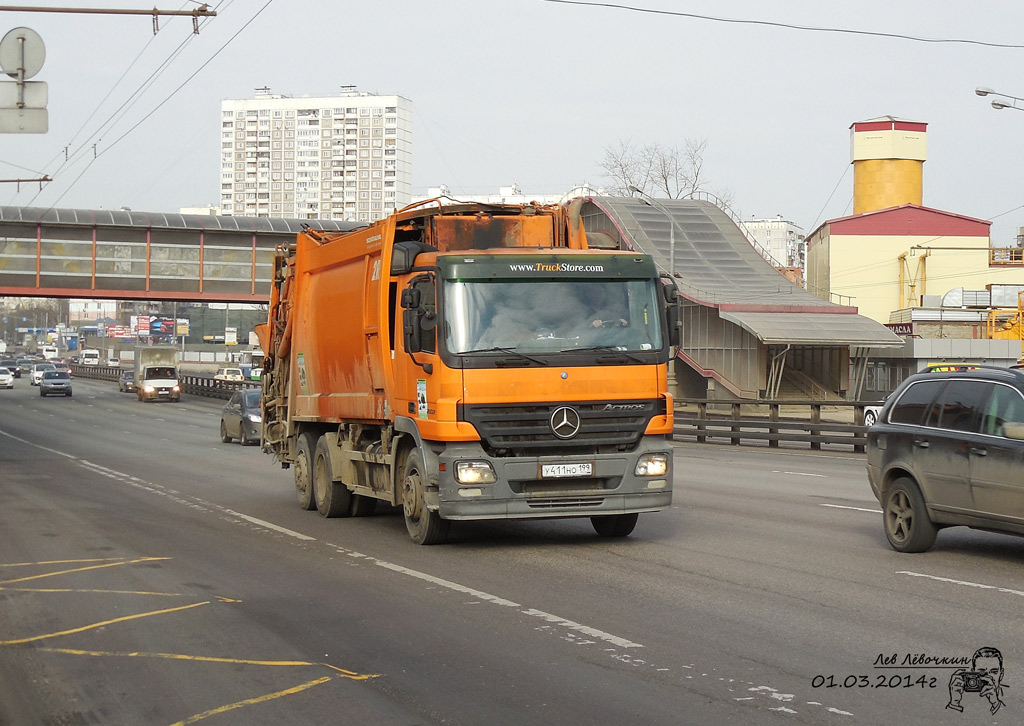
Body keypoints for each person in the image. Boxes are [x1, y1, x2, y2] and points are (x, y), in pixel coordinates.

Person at [947, 646, 1006, 714]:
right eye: (982, 672)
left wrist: (996, 703)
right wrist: (954, 703)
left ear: (1001, 674)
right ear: (973, 672)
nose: (989, 677)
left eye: (994, 672)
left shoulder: (1012, 697)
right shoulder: (963, 692)